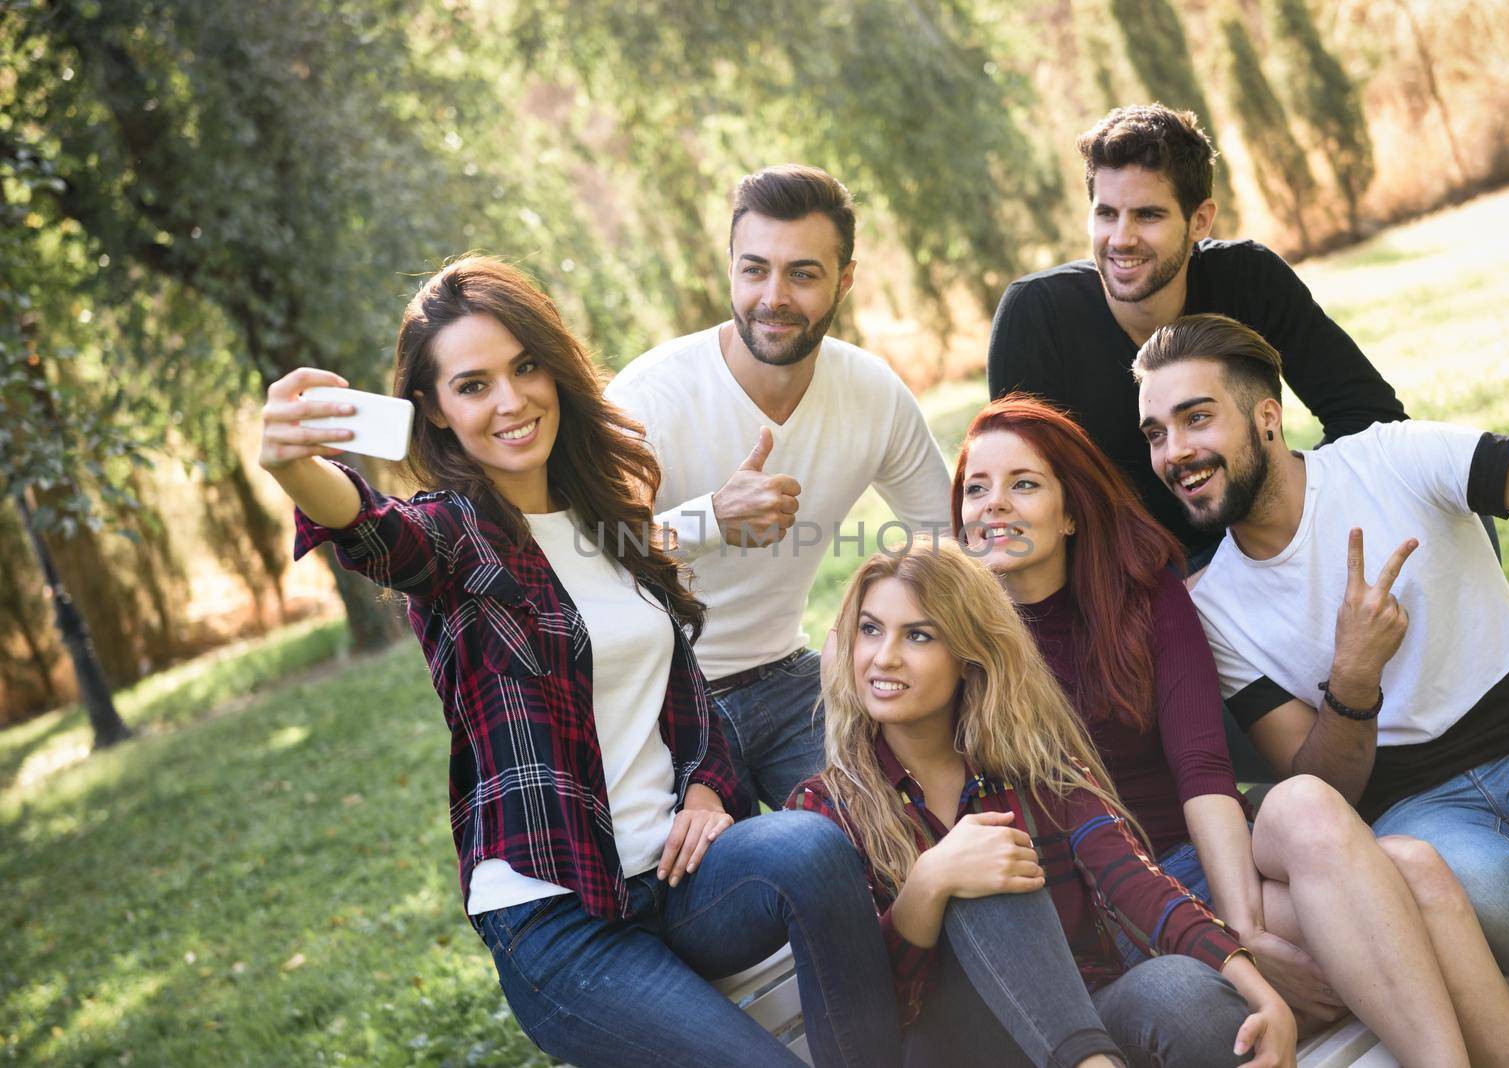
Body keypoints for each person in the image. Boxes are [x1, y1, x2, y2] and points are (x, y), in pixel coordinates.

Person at [256, 256, 902, 1068]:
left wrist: (708, 784)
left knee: (811, 850)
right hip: (562, 921)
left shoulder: (610, 519)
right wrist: (292, 465)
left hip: (680, 877)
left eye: (525, 367)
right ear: (436, 411)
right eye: (473, 385)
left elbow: (680, 689)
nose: (510, 400)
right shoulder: (454, 538)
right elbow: (374, 529)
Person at [953, 394, 1509, 1066]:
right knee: (1407, 884)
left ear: (1070, 514)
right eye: (976, 489)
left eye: (1023, 484)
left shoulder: (1143, 599)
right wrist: (1231, 944)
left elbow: (1201, 768)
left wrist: (1242, 929)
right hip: (1113, 905)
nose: (993, 504)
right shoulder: (954, 641)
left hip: (1206, 864)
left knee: (1370, 843)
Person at [1134, 312, 1509, 1062]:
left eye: (1195, 418)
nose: (1176, 451)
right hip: (1423, 817)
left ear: (1266, 418)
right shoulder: (1210, 604)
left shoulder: (1393, 457)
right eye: (1156, 432)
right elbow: (1321, 788)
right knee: (1476, 886)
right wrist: (1352, 680)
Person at [789, 536, 1298, 1068]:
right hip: (955, 1050)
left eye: (918, 635)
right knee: (981, 865)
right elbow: (858, 1008)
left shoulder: (1034, 768)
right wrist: (929, 884)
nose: (884, 657)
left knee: (1186, 996)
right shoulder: (826, 810)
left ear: (969, 657)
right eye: (870, 630)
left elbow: (1137, 884)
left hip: (1087, 1015)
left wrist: (1258, 988)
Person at [607, 164, 950, 811]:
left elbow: (948, 541)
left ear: (844, 281)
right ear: (730, 267)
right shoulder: (648, 398)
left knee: (894, 827)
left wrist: (882, 636)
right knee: (750, 881)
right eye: (755, 269)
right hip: (665, 700)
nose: (774, 296)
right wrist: (711, 518)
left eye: (803, 273)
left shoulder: (872, 394)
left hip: (793, 681)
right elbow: (583, 561)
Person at [986, 103, 1405, 559]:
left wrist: (1291, 513)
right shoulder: (1036, 316)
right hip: (1137, 579)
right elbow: (1023, 500)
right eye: (1106, 214)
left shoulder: (1249, 278)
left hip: (1266, 539)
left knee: (1435, 498)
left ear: (1200, 220)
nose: (1121, 239)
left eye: (1148, 215)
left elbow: (1369, 417)